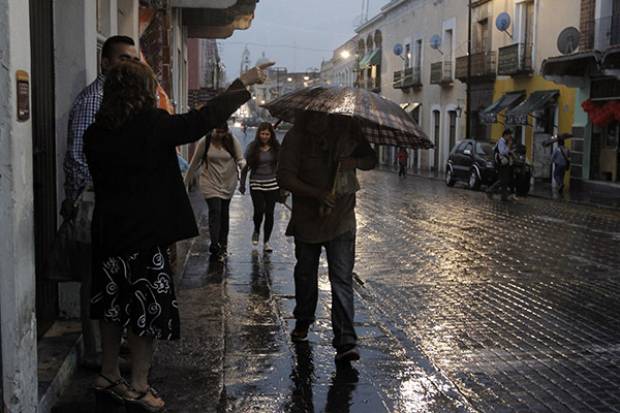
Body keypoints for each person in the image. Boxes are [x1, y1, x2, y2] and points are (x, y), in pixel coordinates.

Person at [84, 59, 269, 411]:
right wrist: (242, 83)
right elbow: (203, 119)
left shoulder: (96, 132)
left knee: (111, 305)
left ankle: (108, 374)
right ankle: (138, 386)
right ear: (145, 91)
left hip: (107, 231)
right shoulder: (152, 125)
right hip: (142, 235)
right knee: (144, 312)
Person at [62, 35, 140, 368]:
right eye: (124, 59)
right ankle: (94, 349)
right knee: (93, 277)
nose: (130, 65)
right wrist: (83, 199)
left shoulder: (115, 100)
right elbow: (77, 156)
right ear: (105, 63)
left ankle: (110, 342)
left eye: (134, 60)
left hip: (110, 201)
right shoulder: (93, 100)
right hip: (93, 200)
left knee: (110, 275)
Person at [277, 112, 377, 363]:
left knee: (342, 279)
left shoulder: (348, 129)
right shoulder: (295, 137)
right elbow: (284, 176)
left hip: (342, 218)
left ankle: (346, 341)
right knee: (305, 274)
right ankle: (303, 319)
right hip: (307, 219)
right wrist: (317, 193)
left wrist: (352, 161)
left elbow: (370, 160)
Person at [184, 123, 246, 261]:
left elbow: (240, 158)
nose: (219, 135)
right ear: (212, 130)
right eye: (216, 132)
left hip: (228, 182)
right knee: (215, 211)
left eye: (222, 132)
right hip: (209, 182)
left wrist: (243, 164)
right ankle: (214, 243)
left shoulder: (231, 140)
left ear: (226, 131)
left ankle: (223, 243)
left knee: (224, 213)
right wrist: (185, 183)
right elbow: (194, 164)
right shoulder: (205, 142)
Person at [239, 122, 281, 253]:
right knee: (259, 210)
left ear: (271, 135)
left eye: (267, 134)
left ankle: (267, 241)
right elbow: (246, 168)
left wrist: (284, 186)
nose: (264, 136)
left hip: (272, 184)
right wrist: (242, 184)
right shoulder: (253, 147)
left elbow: (281, 167)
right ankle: (257, 229)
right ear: (259, 134)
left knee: (269, 213)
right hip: (256, 183)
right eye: (262, 133)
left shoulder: (276, 148)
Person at [487, 128, 513, 201]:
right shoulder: (502, 141)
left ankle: (503, 196)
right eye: (509, 136)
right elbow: (502, 152)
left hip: (503, 162)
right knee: (503, 179)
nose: (510, 137)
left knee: (505, 180)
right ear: (506, 135)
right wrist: (508, 146)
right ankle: (490, 190)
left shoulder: (503, 141)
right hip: (501, 163)